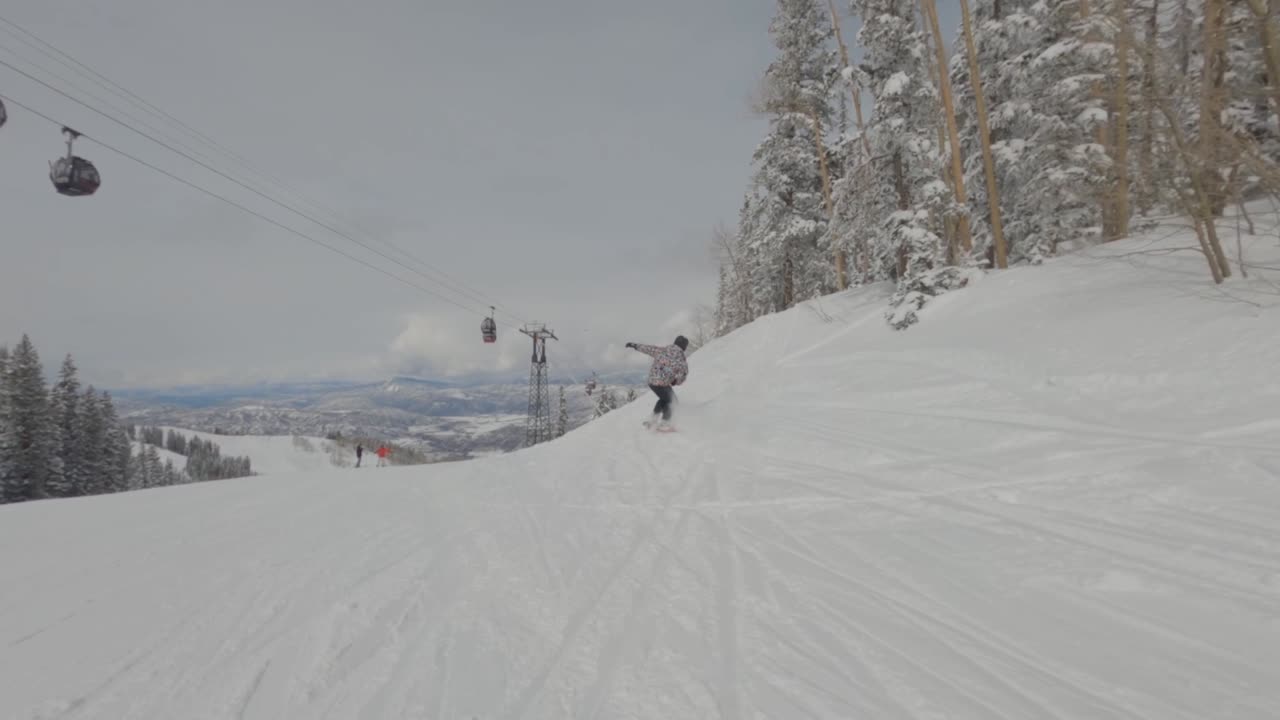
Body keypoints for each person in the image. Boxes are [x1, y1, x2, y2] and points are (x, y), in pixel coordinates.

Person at [625, 335, 689, 428]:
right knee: (672, 402)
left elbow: (648, 349)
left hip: (652, 381)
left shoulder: (663, 350)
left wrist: (635, 345)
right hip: (663, 383)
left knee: (664, 399)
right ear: (684, 347)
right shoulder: (681, 359)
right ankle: (665, 423)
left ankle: (653, 419)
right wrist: (676, 381)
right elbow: (683, 375)